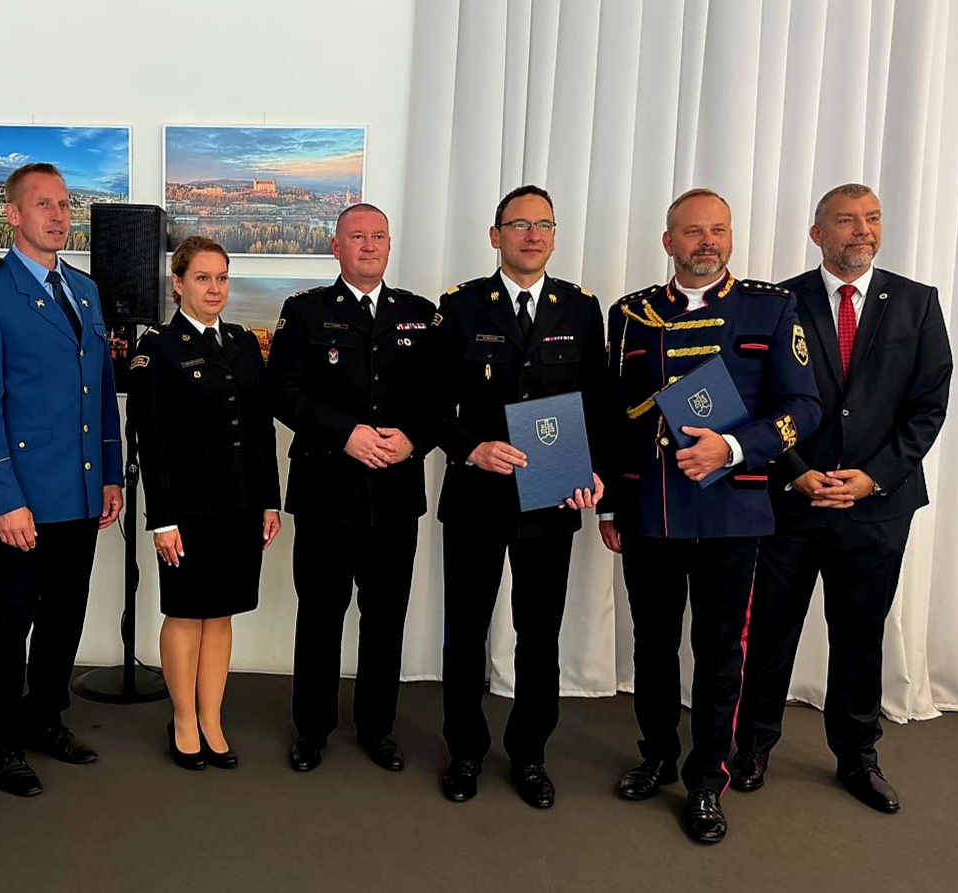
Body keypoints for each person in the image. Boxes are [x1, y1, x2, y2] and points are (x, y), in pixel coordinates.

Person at [597, 188, 822, 844]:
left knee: (720, 652)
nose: (706, 242)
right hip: (650, 508)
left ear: (729, 237)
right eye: (692, 232)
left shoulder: (770, 308)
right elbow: (613, 413)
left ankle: (706, 779)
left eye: (717, 230)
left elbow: (803, 407)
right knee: (653, 645)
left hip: (732, 509)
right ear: (669, 241)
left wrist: (732, 446)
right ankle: (657, 755)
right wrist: (611, 501)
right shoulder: (630, 313)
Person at [730, 184, 953, 813]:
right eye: (847, 220)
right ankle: (753, 746)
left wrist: (872, 477)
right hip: (790, 501)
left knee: (860, 635)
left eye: (872, 219)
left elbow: (928, 405)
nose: (862, 230)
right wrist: (795, 470)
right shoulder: (779, 302)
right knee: (770, 629)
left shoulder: (917, 302)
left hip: (877, 506)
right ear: (817, 233)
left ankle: (858, 756)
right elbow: (754, 399)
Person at [0, 162, 123, 797]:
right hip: (22, 494)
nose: (58, 216)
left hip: (79, 489)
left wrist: (110, 474)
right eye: (43, 204)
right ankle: (1, 739)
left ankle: (46, 715)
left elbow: (101, 389)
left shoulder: (85, 290)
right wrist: (1, 500)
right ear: (13, 215)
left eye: (65, 205)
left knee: (65, 614)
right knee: (12, 619)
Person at [432, 185, 605, 807]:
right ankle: (465, 751)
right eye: (519, 224)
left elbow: (598, 400)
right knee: (465, 632)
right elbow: (432, 404)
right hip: (478, 495)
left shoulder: (580, 308)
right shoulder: (459, 307)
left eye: (544, 225)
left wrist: (595, 470)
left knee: (539, 634)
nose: (533, 235)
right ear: (495, 235)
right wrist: (471, 448)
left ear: (554, 236)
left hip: (552, 495)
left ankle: (530, 753)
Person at [266, 203, 438, 773]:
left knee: (385, 618)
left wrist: (413, 439)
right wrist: (345, 434)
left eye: (378, 237)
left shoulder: (420, 314)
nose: (369, 246)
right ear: (335, 247)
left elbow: (439, 399)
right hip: (326, 492)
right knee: (320, 616)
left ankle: (377, 727)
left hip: (395, 494)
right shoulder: (305, 311)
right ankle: (312, 728)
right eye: (357, 237)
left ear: (389, 245)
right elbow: (283, 392)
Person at [127, 235, 282, 770]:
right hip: (187, 509)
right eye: (202, 278)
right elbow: (150, 441)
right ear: (178, 284)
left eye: (221, 278)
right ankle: (183, 719)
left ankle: (212, 718)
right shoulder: (158, 348)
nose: (214, 288)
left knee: (221, 614)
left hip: (240, 504)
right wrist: (161, 520)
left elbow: (259, 430)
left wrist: (269, 501)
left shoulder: (241, 342)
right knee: (186, 613)